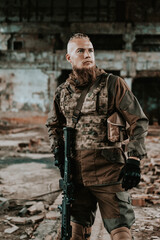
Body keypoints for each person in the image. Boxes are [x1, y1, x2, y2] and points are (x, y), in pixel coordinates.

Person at [46, 33, 148, 240]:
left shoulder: (113, 84)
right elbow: (53, 125)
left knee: (121, 233)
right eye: (80, 51)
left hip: (109, 171)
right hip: (76, 174)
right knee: (75, 233)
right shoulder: (62, 93)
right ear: (69, 57)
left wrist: (134, 159)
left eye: (90, 50)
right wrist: (58, 152)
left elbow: (138, 121)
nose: (87, 55)